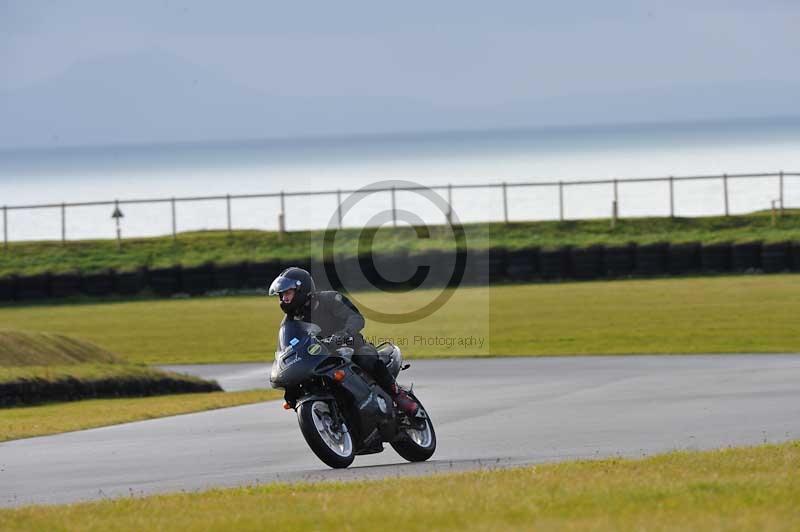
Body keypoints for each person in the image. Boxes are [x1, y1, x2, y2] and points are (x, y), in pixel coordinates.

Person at [268, 266, 418, 416]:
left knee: (365, 358)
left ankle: (398, 395)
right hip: (320, 357)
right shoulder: (289, 323)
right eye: (281, 295)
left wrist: (344, 334)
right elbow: (286, 347)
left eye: (287, 293)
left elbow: (356, 318)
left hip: (349, 344)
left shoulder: (329, 299)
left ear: (302, 289)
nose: (283, 299)